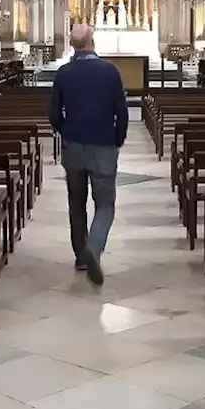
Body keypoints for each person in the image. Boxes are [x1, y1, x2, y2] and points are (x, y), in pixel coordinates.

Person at [49, 24, 128, 286]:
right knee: (105, 204)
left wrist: (67, 131)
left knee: (76, 202)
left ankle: (82, 257)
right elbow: (122, 112)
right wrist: (117, 139)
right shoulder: (109, 72)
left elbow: (53, 115)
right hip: (103, 145)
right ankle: (94, 247)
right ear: (92, 42)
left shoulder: (63, 73)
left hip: (74, 147)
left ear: (73, 45)